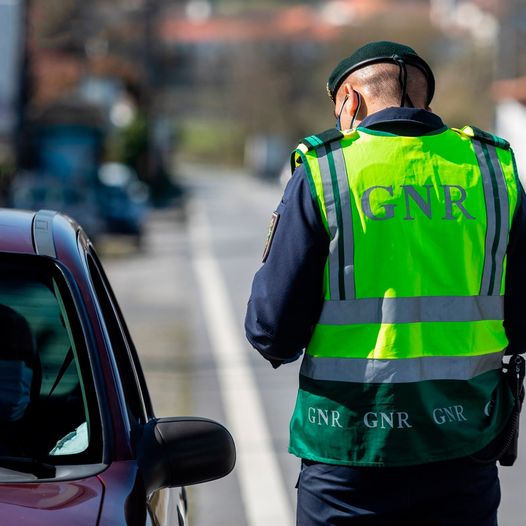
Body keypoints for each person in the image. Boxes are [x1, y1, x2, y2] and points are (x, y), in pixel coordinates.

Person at [245, 41, 526, 525]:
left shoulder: (326, 169)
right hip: (463, 445)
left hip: (348, 450)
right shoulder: (491, 168)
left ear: (349, 102)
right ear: (425, 100)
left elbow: (272, 331)